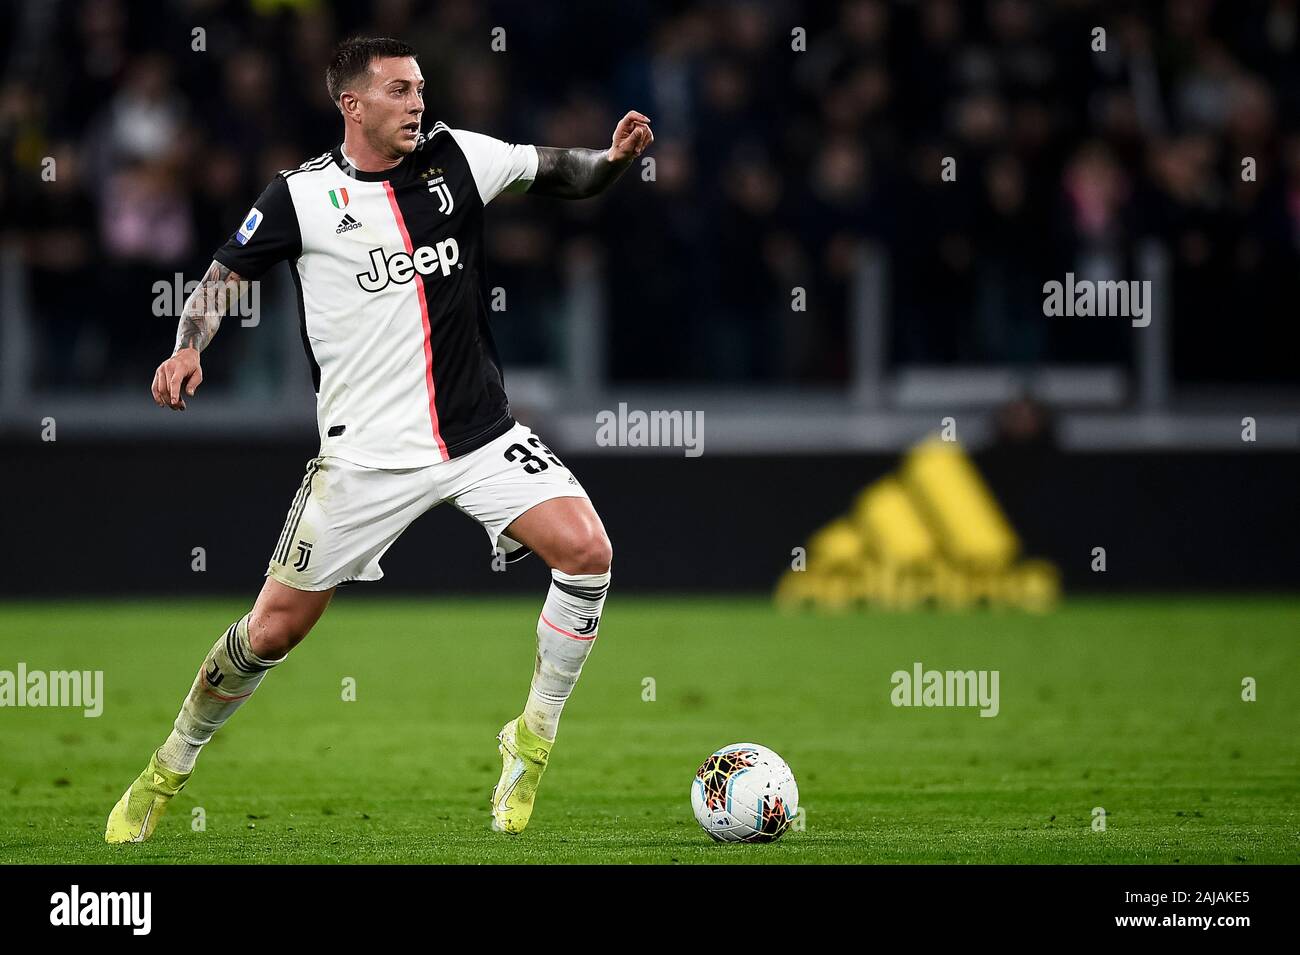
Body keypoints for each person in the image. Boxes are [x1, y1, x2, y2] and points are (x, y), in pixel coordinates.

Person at [105, 36, 652, 842]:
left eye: (420, 88)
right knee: (271, 631)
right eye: (398, 90)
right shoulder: (301, 196)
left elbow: (560, 172)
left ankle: (531, 739)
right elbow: (222, 279)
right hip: (363, 457)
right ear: (352, 105)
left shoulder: (459, 158)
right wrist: (189, 345)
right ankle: (168, 766)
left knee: (588, 551)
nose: (417, 102)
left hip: (478, 436)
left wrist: (611, 159)